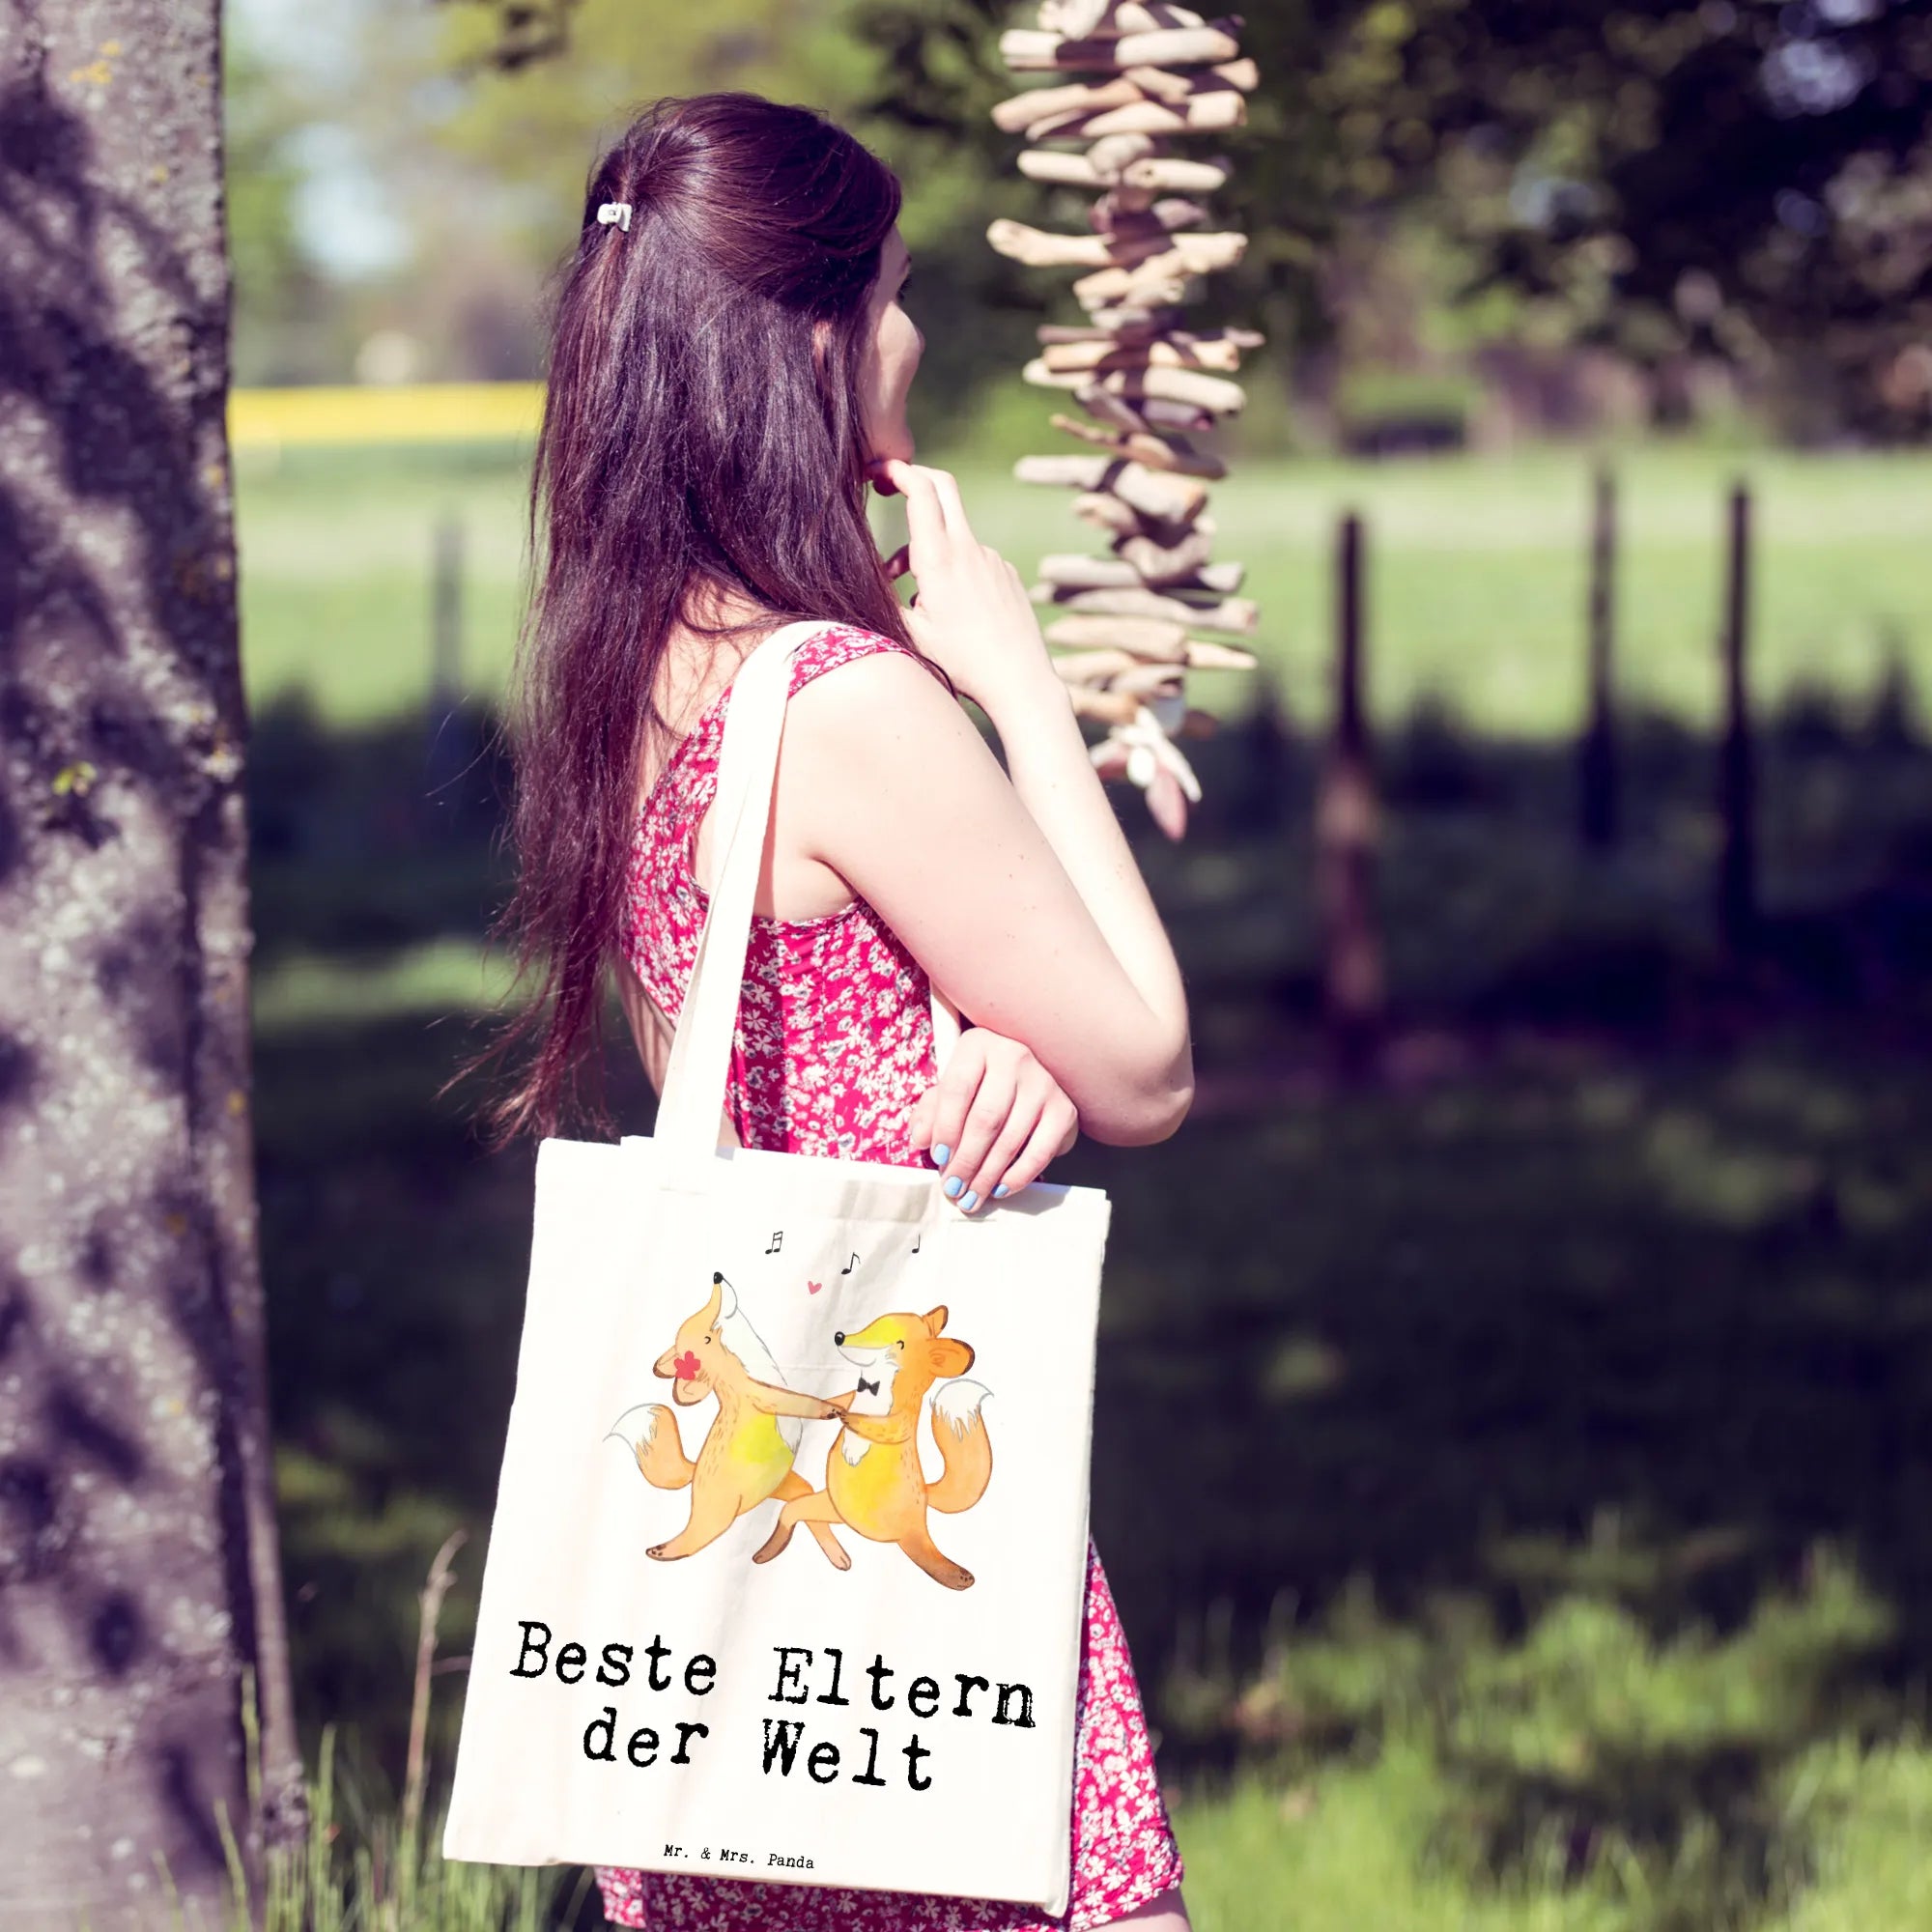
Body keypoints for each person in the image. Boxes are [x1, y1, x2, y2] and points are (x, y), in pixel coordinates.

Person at [481, 90, 1197, 1932]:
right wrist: (1020, 690)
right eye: (891, 293)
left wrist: (982, 1035)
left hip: (732, 1632)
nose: (914, 336)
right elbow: (1147, 1063)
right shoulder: (849, 704)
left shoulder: (633, 669)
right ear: (812, 338)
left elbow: (745, 1046)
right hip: (902, 1576)